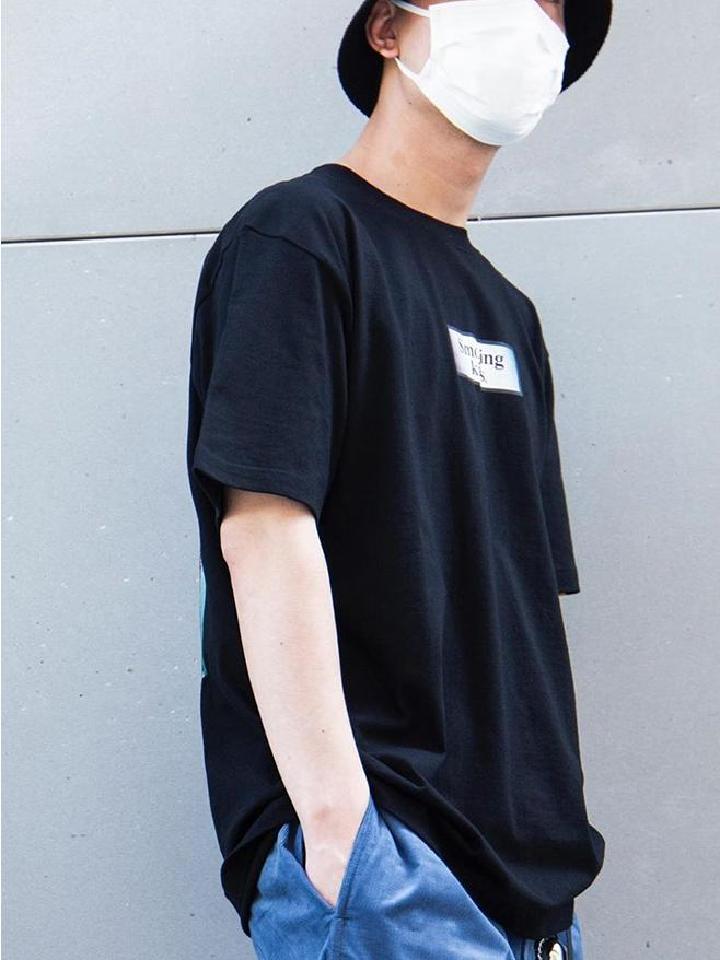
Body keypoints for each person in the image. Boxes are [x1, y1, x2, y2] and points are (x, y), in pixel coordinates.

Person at [185, 1, 613, 957]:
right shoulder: (301, 237)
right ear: (388, 28)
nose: (532, 25)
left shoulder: (509, 312)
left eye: (555, 13)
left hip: (534, 896)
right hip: (389, 873)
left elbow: (520, 602)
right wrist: (341, 833)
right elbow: (263, 527)